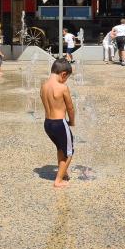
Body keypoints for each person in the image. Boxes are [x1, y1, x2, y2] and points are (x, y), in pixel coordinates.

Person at [40, 58, 76, 188]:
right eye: (66, 78)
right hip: (60, 123)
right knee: (69, 151)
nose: (66, 80)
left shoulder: (44, 86)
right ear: (63, 74)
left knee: (61, 148)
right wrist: (71, 121)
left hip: (47, 124)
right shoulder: (62, 87)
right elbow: (70, 108)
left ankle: (63, 172)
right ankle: (58, 180)